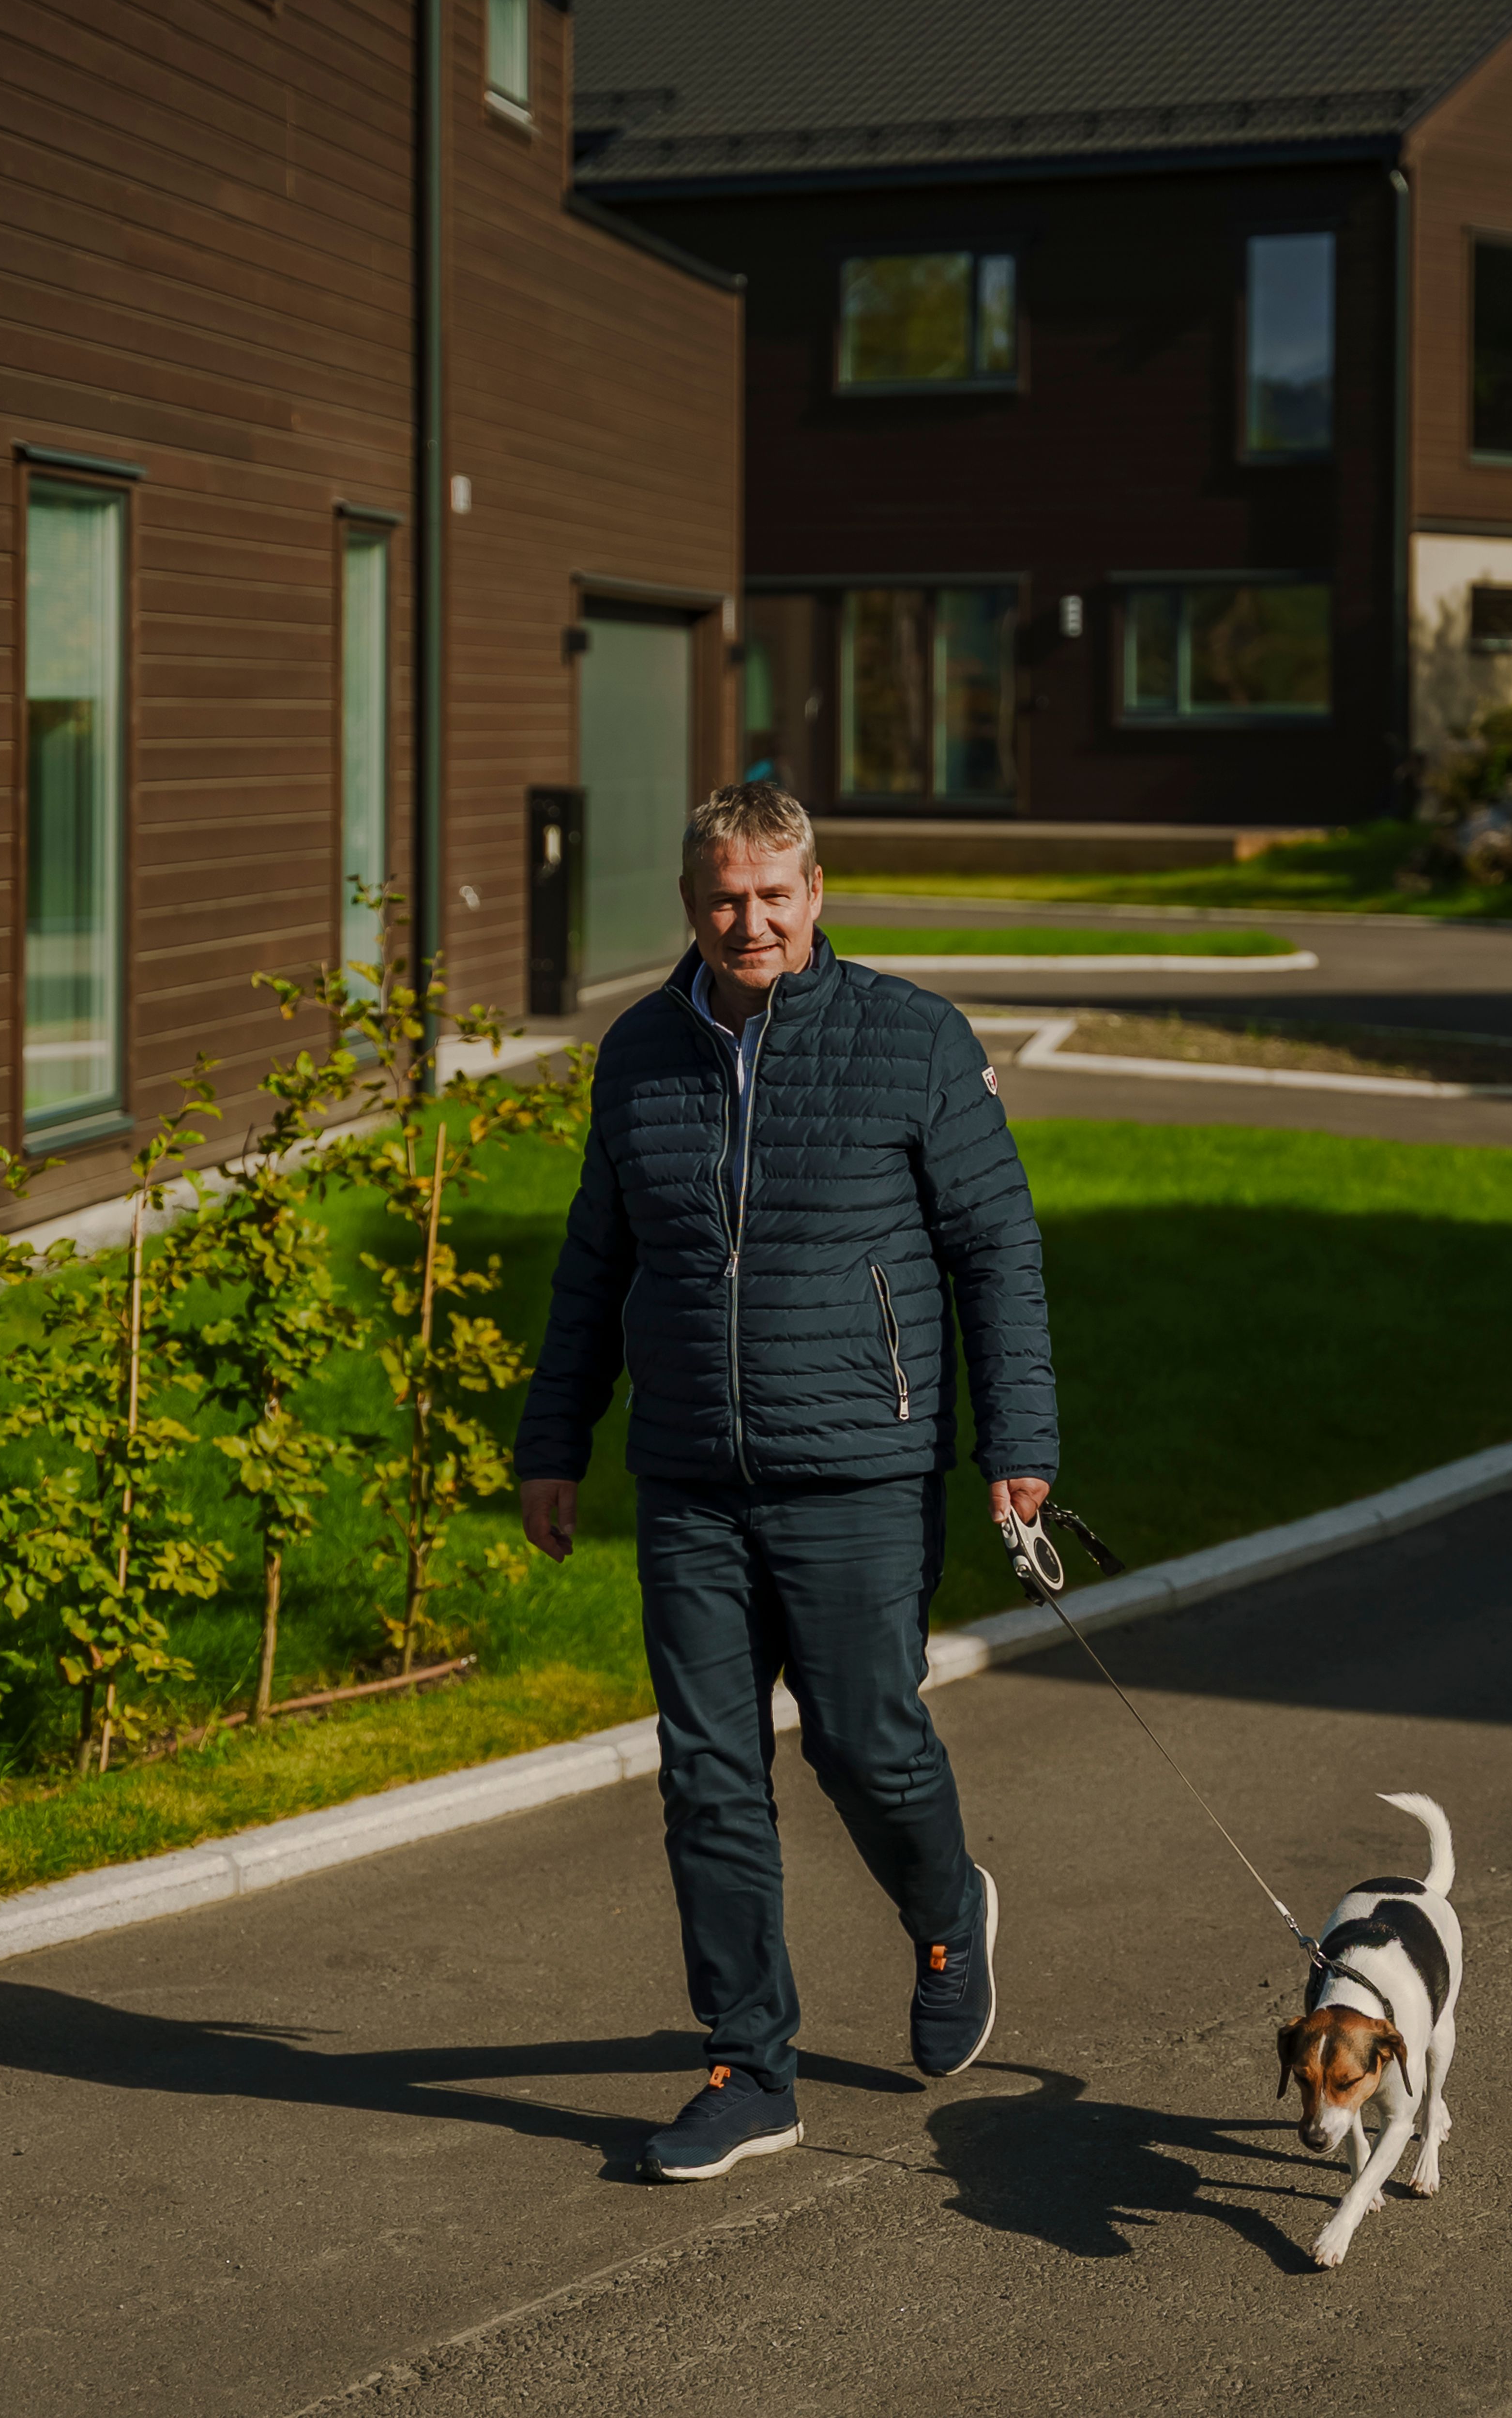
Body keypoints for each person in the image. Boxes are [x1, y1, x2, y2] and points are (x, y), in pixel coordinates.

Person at [515, 782, 1058, 2183]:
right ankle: (749, 2068)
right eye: (721, 899)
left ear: (817, 893)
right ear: (691, 906)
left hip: (858, 1461)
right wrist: (554, 1443)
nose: (748, 921)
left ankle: (948, 1913)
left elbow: (995, 1248)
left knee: (861, 1739)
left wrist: (1020, 1444)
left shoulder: (913, 1040)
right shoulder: (639, 1053)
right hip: (690, 1471)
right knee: (707, 1775)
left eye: (773, 895)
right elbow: (597, 1262)